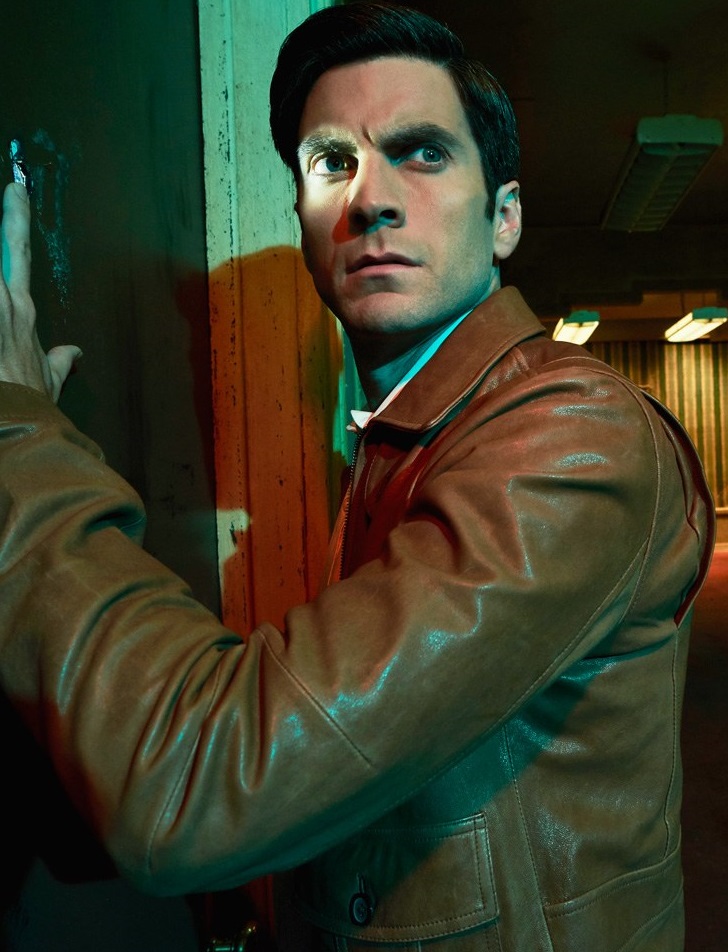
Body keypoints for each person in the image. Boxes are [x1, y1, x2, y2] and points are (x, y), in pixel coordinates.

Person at [0, 3, 715, 950]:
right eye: (331, 163)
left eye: (422, 153)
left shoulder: (571, 436)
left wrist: (16, 434)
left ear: (503, 218)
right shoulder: (407, 433)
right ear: (302, 221)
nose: (371, 198)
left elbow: (191, 789)